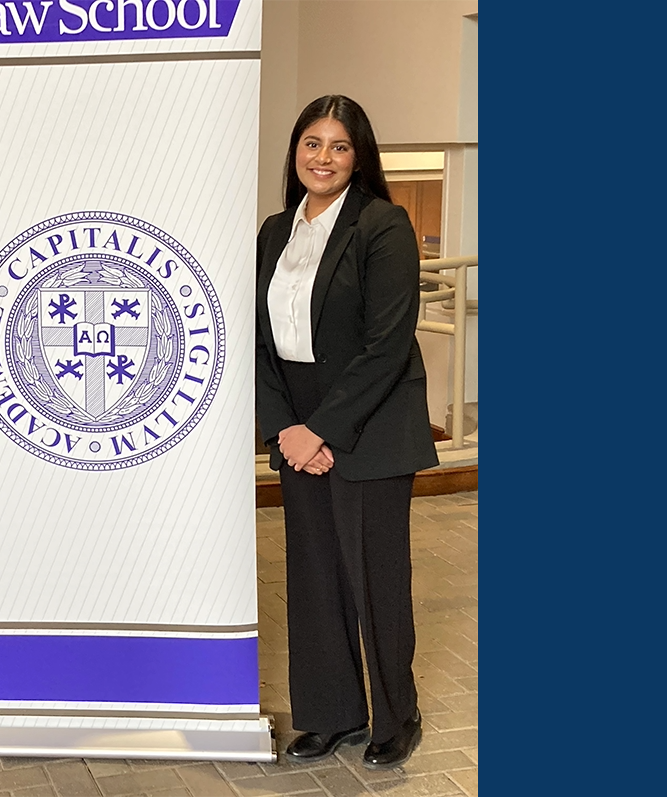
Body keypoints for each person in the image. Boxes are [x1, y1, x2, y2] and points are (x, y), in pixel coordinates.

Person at [254, 95, 438, 770]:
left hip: (372, 421)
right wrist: (285, 428)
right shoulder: (275, 231)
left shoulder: (382, 225)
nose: (322, 158)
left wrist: (322, 429)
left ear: (359, 157)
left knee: (375, 578)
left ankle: (397, 715)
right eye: (311, 143)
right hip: (298, 422)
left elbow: (387, 345)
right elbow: (259, 342)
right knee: (315, 575)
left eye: (337, 146)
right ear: (295, 151)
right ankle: (332, 713)